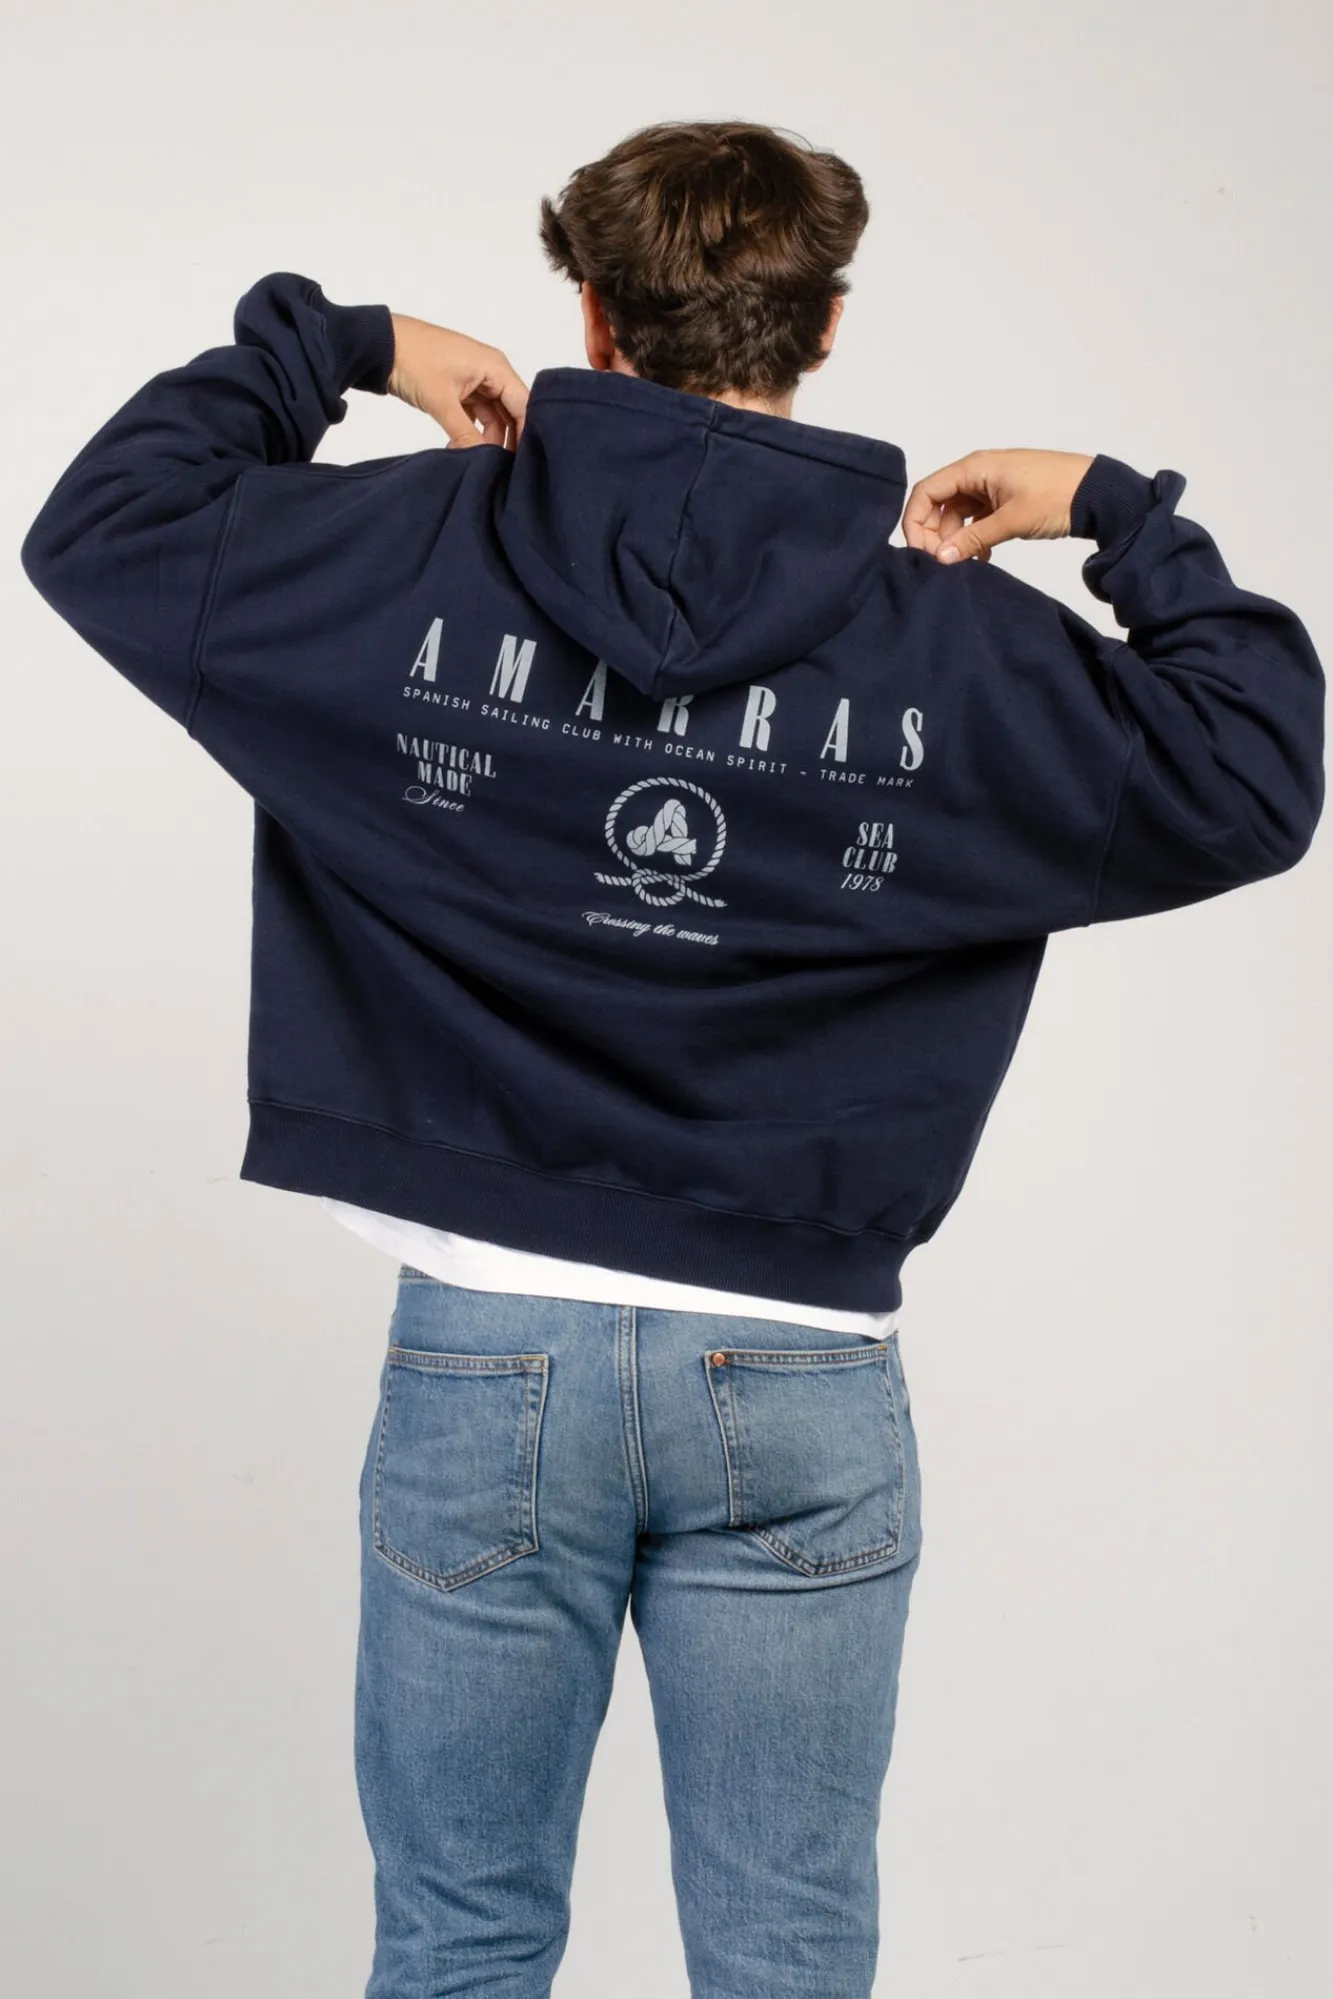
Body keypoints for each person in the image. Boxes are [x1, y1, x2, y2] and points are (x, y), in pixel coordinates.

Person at [18, 117, 1325, 1999]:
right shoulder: (956, 652)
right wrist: (1118, 508)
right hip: (798, 1367)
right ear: (826, 324)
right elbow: (1255, 765)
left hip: (488, 1352)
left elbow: (108, 526)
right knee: (785, 1951)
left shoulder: (412, 555)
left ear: (591, 317)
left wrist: (347, 347)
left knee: (460, 1941)